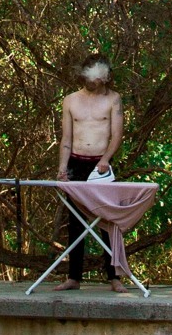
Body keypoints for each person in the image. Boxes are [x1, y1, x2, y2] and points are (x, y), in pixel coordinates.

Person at [55, 54, 128, 293]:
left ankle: (114, 276)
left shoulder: (113, 99)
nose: (90, 81)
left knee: (107, 221)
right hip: (76, 162)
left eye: (95, 77)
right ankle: (73, 277)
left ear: (105, 77)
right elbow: (66, 138)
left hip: (101, 165)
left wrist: (105, 159)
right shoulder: (70, 100)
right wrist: (62, 167)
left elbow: (117, 135)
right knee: (76, 222)